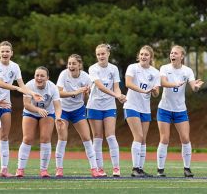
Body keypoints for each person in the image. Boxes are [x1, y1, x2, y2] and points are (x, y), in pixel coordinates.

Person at [0, 41, 42, 177]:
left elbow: (22, 85)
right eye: (3, 51)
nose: (5, 53)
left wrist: (32, 93)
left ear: (12, 53)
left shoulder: (15, 66)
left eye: (7, 51)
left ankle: (4, 169)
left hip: (6, 104)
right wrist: (16, 88)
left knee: (4, 136)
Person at [156, 45, 204, 177]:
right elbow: (163, 82)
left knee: (185, 138)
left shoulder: (187, 71)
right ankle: (160, 170)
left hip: (180, 110)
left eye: (176, 53)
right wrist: (174, 84)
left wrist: (196, 87)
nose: (172, 55)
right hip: (164, 109)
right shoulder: (164, 68)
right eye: (171, 53)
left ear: (182, 56)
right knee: (164, 139)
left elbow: (193, 86)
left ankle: (187, 169)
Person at [55, 54, 101, 178]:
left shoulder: (86, 77)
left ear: (79, 65)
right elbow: (57, 93)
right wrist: (74, 92)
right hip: (63, 109)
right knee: (62, 137)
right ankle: (59, 169)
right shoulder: (63, 74)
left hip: (78, 110)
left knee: (87, 137)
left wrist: (87, 93)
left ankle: (94, 169)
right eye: (69, 63)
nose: (71, 66)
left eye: (74, 63)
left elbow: (87, 97)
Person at [86, 44, 126, 177]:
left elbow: (117, 87)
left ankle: (116, 168)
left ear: (108, 54)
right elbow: (100, 86)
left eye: (103, 54)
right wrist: (116, 95)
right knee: (97, 137)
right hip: (94, 106)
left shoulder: (114, 68)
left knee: (111, 135)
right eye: (98, 54)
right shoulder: (93, 68)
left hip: (109, 106)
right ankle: (99, 168)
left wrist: (119, 96)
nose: (100, 56)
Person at [15, 66, 63, 178]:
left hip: (47, 112)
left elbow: (57, 106)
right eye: (37, 75)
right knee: (27, 138)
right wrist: (37, 110)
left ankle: (44, 170)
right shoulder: (29, 85)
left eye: (42, 76)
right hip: (30, 111)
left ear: (47, 78)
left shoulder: (53, 88)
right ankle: (20, 169)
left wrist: (58, 117)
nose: (39, 78)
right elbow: (26, 104)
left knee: (45, 138)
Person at [123, 45, 160, 177]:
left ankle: (140, 169)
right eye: (142, 54)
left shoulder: (155, 72)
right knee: (138, 136)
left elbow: (156, 93)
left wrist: (155, 91)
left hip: (145, 108)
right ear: (138, 56)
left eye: (146, 55)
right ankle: (134, 168)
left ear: (151, 57)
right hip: (131, 105)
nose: (143, 57)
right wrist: (143, 90)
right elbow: (128, 83)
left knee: (143, 139)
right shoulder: (132, 67)